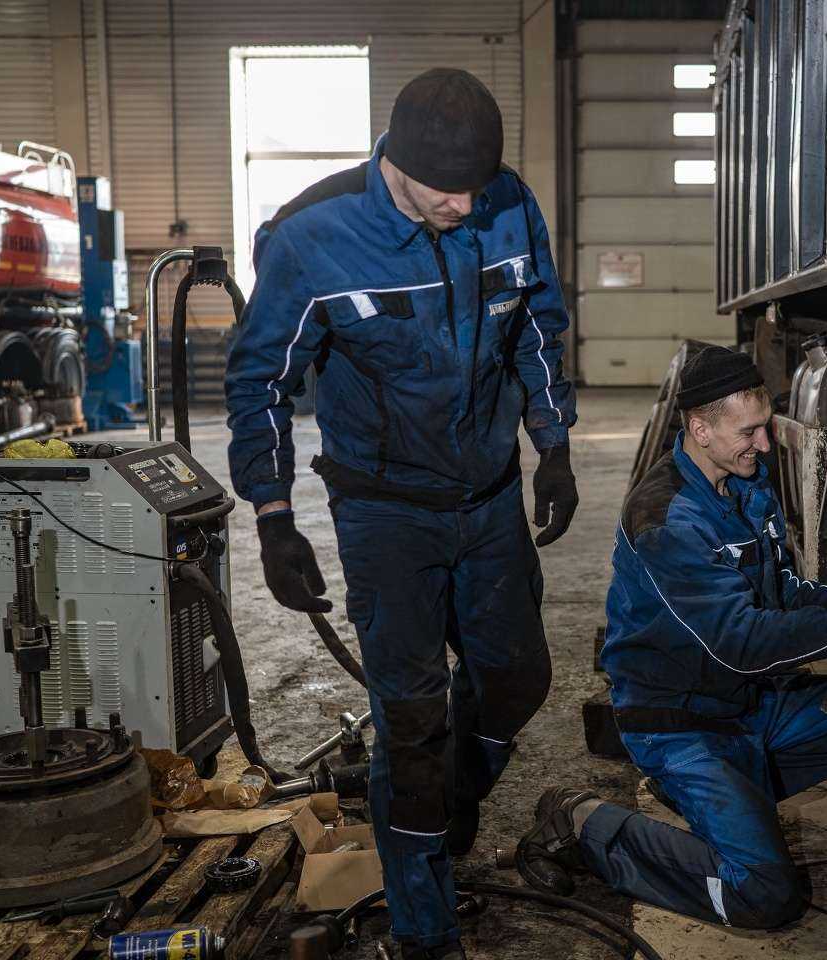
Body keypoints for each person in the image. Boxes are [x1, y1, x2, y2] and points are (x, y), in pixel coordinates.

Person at [225, 68, 577, 960]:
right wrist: (271, 513)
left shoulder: (506, 205)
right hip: (386, 515)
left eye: (477, 189)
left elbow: (536, 324)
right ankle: (423, 927)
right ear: (396, 163)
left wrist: (555, 441)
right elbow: (259, 379)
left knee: (518, 680)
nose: (465, 206)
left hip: (490, 497)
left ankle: (442, 814)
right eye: (444, 192)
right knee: (410, 718)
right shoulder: (313, 237)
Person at [513, 345, 827, 929]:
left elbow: (784, 590)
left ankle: (734, 802)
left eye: (766, 427)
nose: (765, 445)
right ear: (700, 429)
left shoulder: (746, 483)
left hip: (744, 705)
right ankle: (584, 822)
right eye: (751, 431)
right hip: (679, 724)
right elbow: (738, 642)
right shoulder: (668, 519)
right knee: (765, 895)